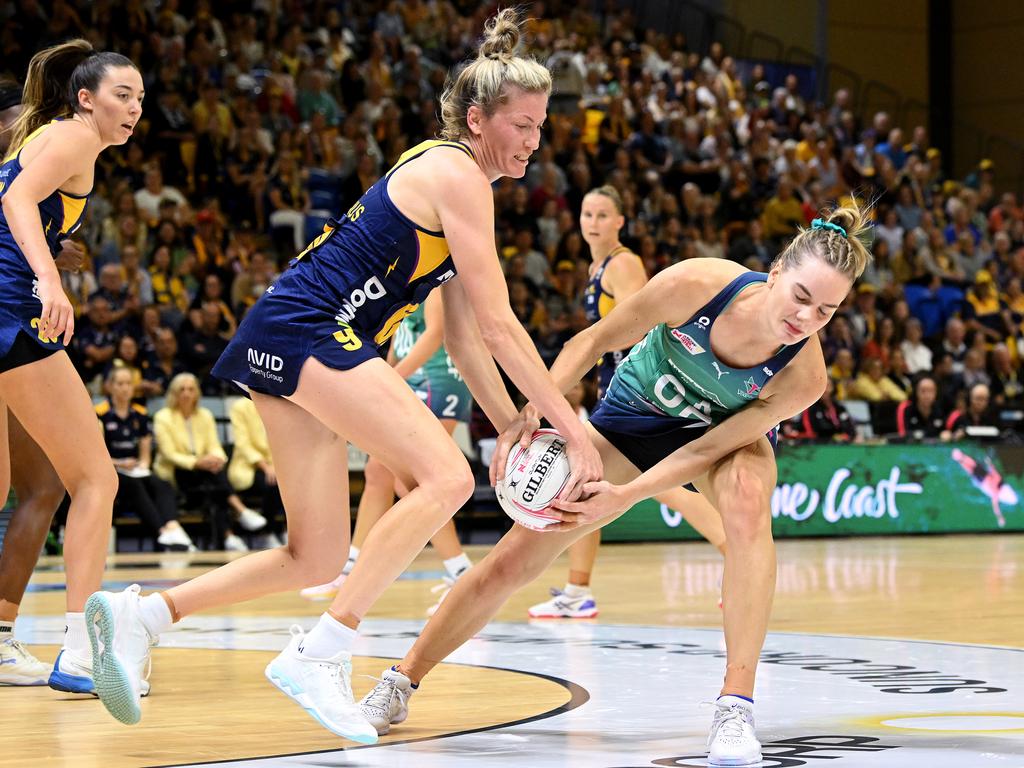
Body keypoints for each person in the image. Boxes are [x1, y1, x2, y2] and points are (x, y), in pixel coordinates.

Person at [85, 10, 601, 733]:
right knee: (447, 477)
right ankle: (322, 652)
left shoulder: (451, 179)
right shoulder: (458, 175)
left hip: (287, 332)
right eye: (522, 125)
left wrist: (514, 418)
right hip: (311, 331)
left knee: (317, 553)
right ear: (479, 120)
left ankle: (145, 615)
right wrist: (571, 428)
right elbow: (500, 323)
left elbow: (464, 344)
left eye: (542, 126)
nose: (534, 141)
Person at [358, 205, 872, 768]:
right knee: (512, 561)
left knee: (749, 504)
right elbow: (590, 342)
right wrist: (530, 416)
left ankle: (735, 706)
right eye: (801, 296)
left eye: (826, 310)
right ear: (775, 272)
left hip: (715, 438)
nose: (807, 317)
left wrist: (629, 494)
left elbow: (702, 449)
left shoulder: (805, 376)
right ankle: (400, 682)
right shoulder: (697, 285)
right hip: (630, 418)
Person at [0, 42, 143, 693]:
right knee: (96, 481)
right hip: (11, 313)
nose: (134, 108)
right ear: (85, 98)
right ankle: (81, 652)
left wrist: (55, 249)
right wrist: (49, 277)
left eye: (140, 98)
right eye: (122, 95)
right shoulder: (71, 138)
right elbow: (17, 202)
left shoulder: (46, 134)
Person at [529, 185, 727, 619]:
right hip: (614, 383)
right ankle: (577, 590)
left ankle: (736, 554)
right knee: (592, 483)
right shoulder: (596, 265)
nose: (592, 223)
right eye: (586, 214)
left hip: (636, 389)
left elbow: (643, 324)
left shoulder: (624, 263)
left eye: (602, 215)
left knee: (666, 487)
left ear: (620, 222)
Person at [300, 290, 476, 614]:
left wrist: (393, 377)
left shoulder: (438, 277)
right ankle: (351, 564)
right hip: (411, 378)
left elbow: (436, 333)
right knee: (377, 472)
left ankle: (461, 572)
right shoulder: (403, 273)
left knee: (423, 480)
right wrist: (384, 376)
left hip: (438, 379)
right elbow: (396, 338)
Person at [153, 373, 264, 552]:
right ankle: (239, 510)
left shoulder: (205, 415)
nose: (186, 394)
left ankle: (229, 536)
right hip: (177, 471)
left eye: (191, 389)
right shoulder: (163, 417)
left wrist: (216, 459)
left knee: (215, 486)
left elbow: (215, 446)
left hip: (204, 472)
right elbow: (169, 454)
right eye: (182, 389)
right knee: (215, 480)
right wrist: (197, 462)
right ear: (174, 393)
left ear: (197, 393)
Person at [98, 367, 195, 551]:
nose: (125, 388)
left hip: (134, 469)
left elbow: (145, 446)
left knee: (161, 483)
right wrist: (119, 463)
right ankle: (162, 531)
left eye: (128, 384)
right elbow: (96, 455)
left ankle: (172, 526)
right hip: (112, 470)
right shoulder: (100, 412)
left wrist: (143, 464)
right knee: (134, 485)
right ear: (110, 386)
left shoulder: (139, 413)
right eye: (120, 384)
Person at [227, 396, 285, 549]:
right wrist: (266, 467)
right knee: (273, 483)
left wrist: (279, 465)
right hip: (248, 466)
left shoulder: (278, 402)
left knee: (295, 483)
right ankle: (265, 533)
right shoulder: (240, 406)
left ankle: (291, 531)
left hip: (277, 463)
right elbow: (242, 444)